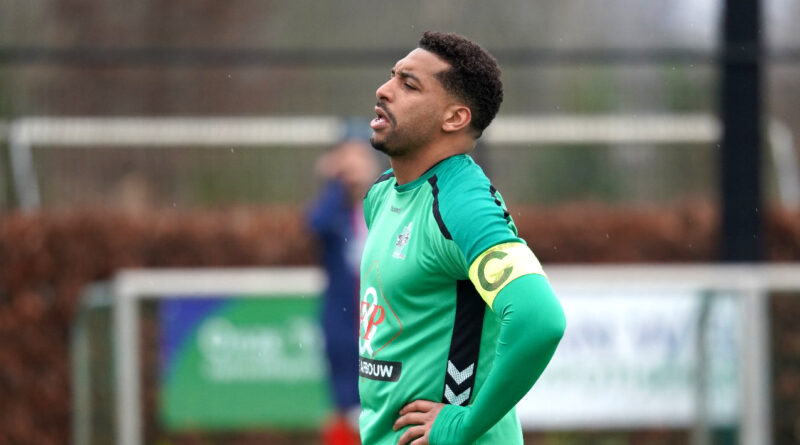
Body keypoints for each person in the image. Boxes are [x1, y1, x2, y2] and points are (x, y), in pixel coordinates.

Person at [358, 31, 566, 445]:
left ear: (454, 118)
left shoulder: (461, 204)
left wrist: (465, 424)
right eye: (392, 76)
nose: (384, 90)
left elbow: (539, 319)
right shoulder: (382, 195)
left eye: (409, 85)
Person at [308, 137, 380, 445]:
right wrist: (334, 183)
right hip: (343, 323)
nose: (353, 167)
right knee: (346, 408)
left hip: (384, 324)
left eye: (360, 158)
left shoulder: (386, 204)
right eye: (346, 159)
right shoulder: (335, 212)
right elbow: (315, 225)